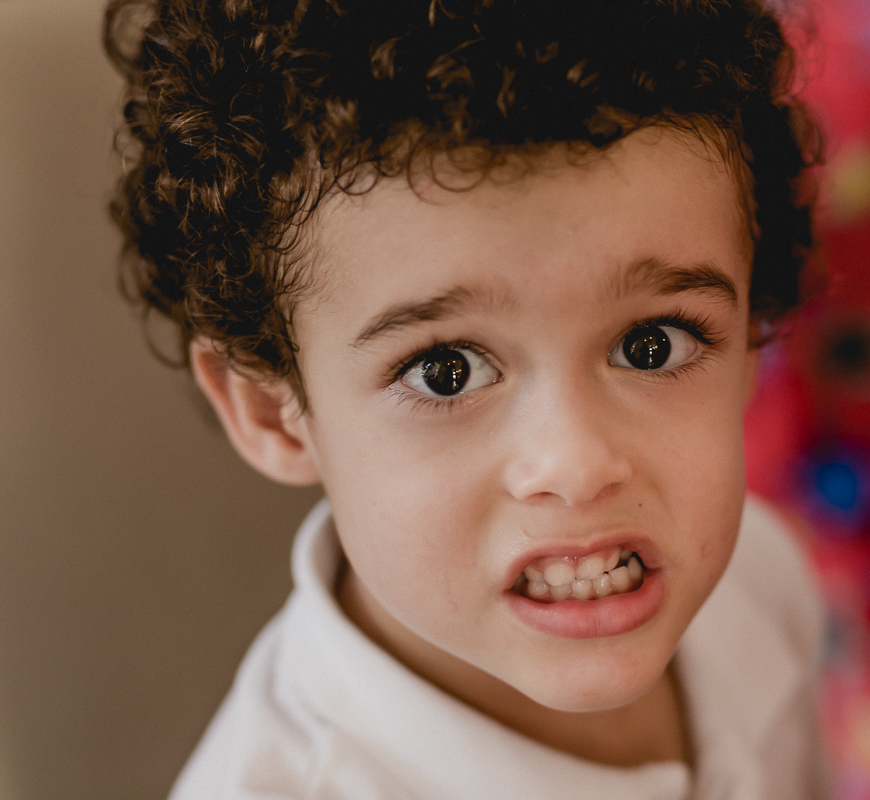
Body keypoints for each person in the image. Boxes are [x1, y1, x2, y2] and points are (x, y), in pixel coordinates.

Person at [104, 0, 826, 796]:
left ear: (754, 334)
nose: (577, 466)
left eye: (651, 345)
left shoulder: (762, 581)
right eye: (445, 370)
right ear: (275, 412)